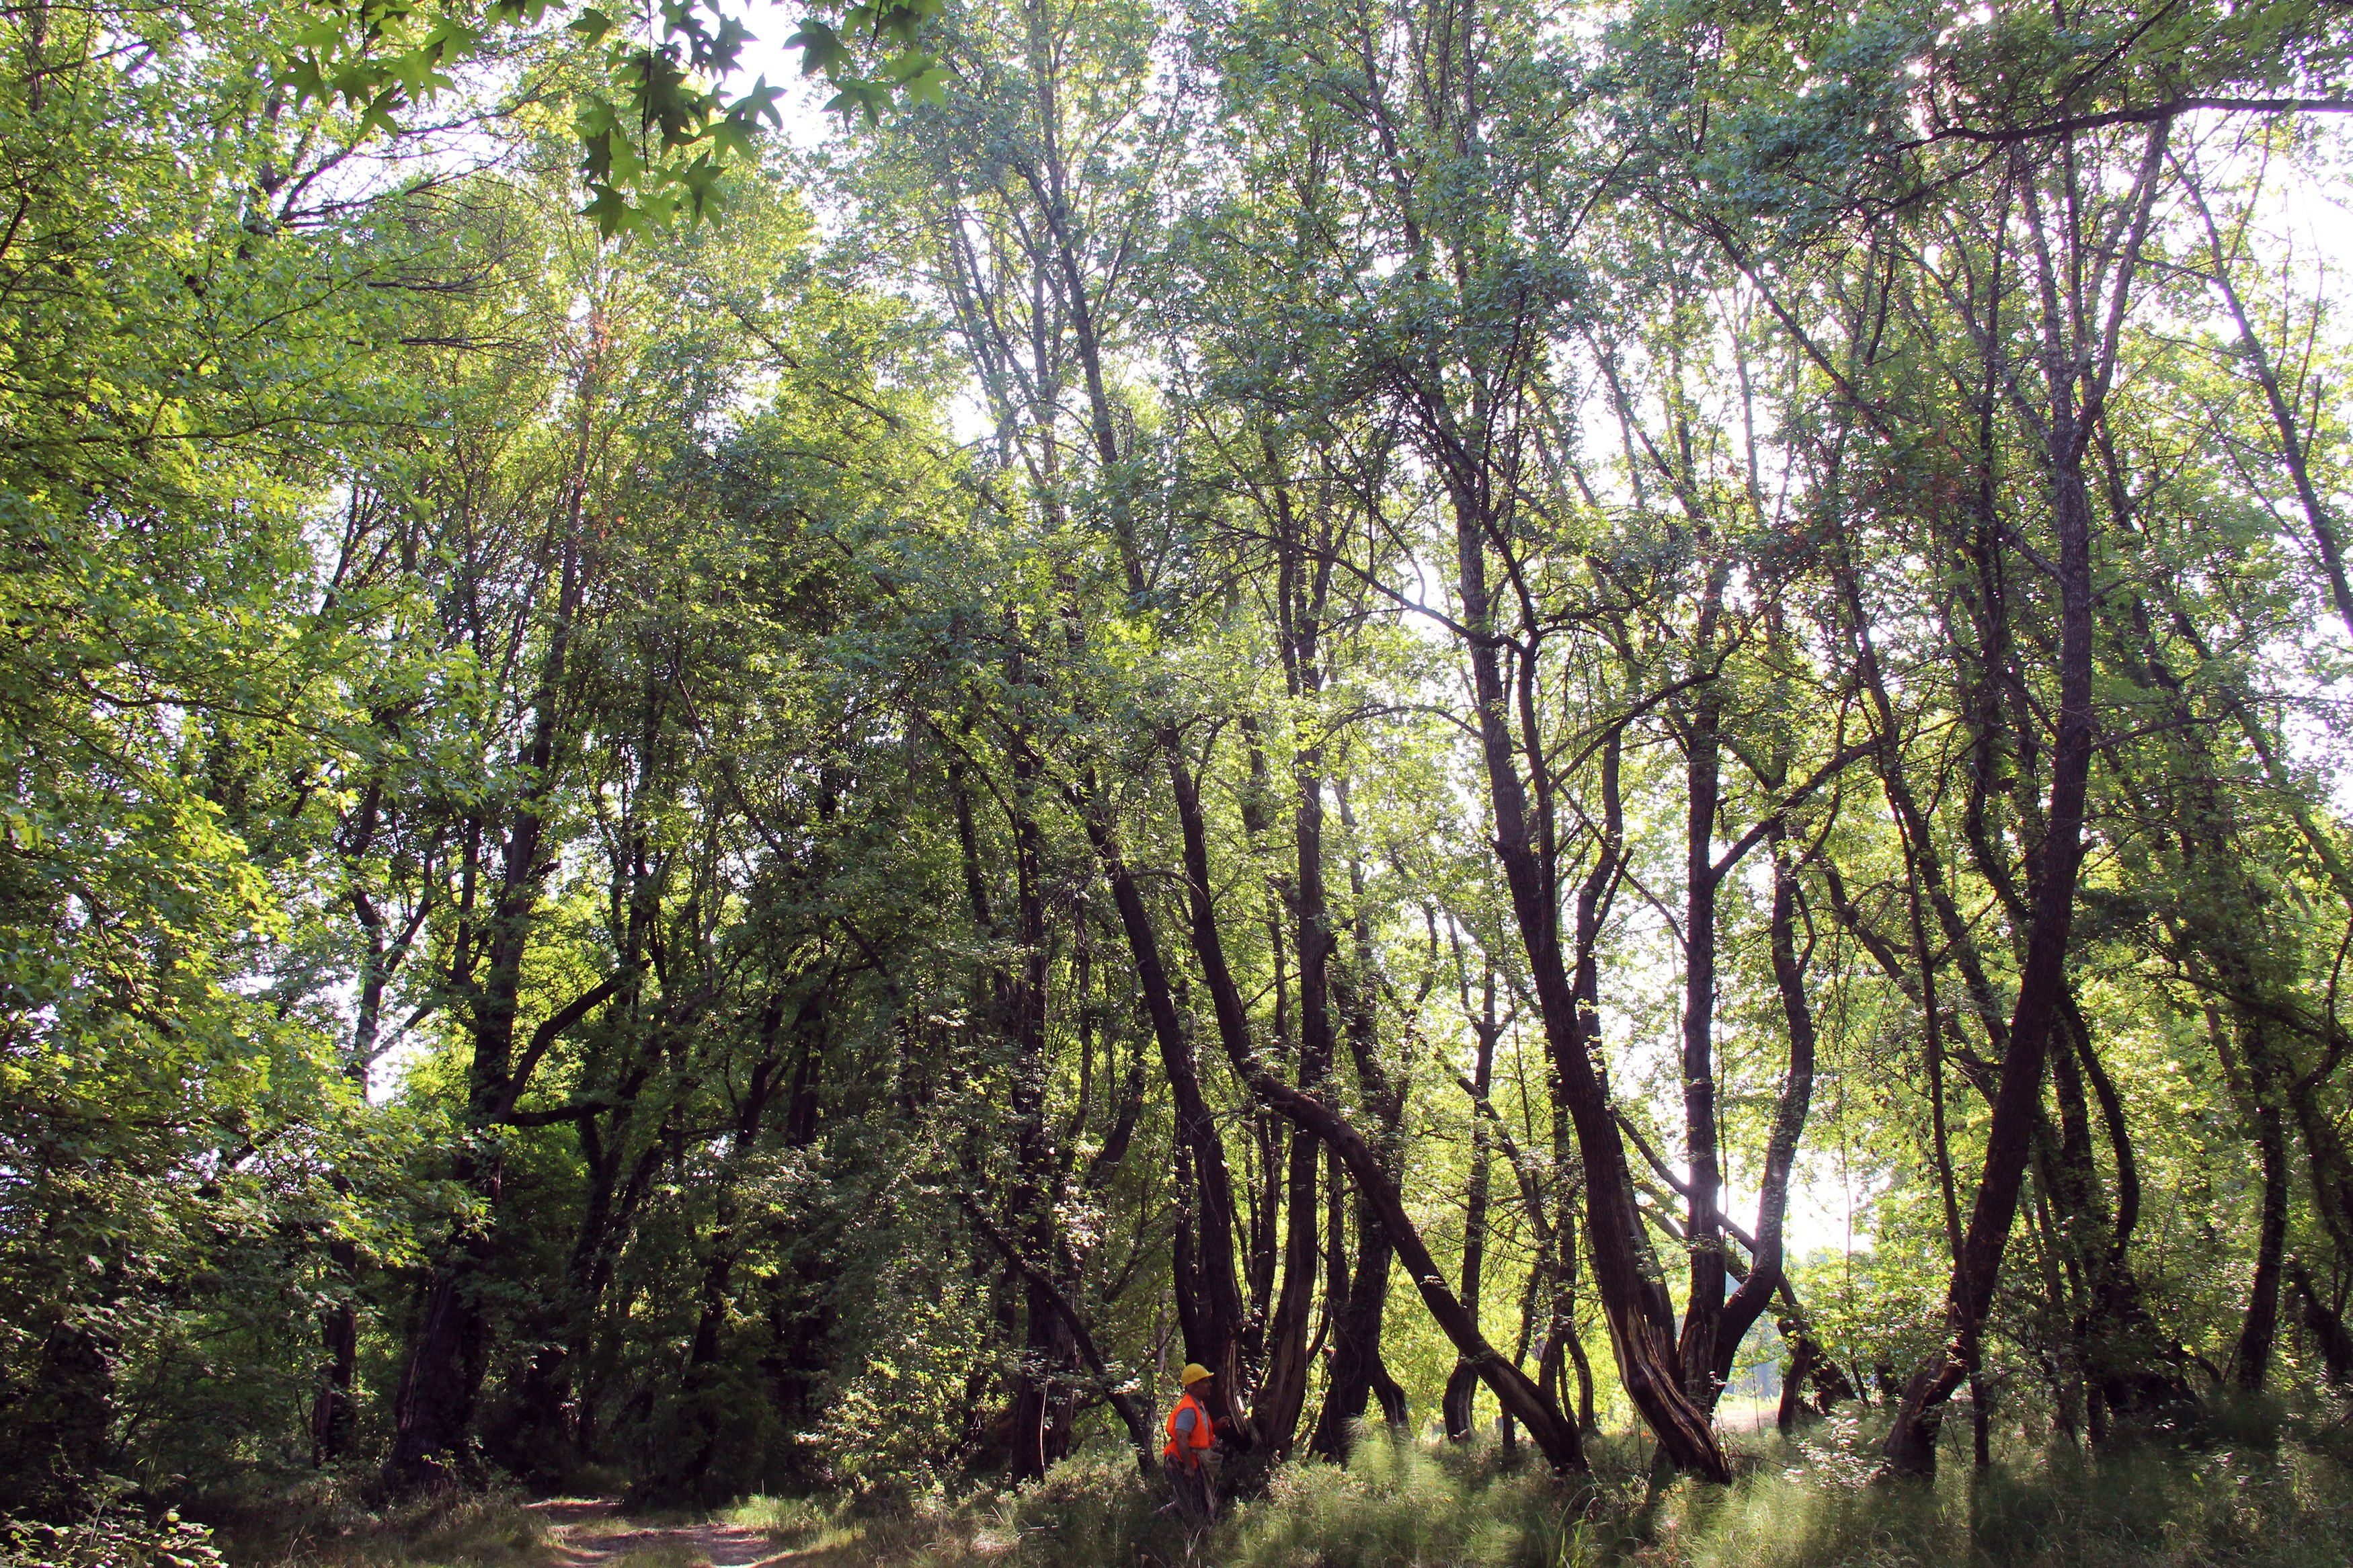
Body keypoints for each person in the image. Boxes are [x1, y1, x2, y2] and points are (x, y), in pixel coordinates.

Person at [1162, 1362, 1219, 1526]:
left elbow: (1196, 1434)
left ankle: (1161, 1519)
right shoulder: (1188, 1409)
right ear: (1194, 1386)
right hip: (1180, 1463)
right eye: (1205, 1381)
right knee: (1191, 1507)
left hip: (1192, 1462)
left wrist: (1217, 1426)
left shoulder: (1197, 1405)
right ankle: (1160, 1522)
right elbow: (1181, 1439)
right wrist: (1188, 1466)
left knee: (1195, 1502)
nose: (1209, 1385)